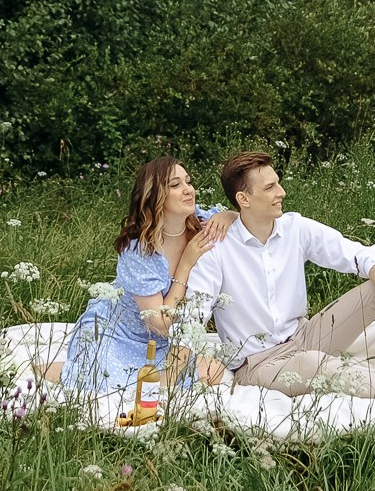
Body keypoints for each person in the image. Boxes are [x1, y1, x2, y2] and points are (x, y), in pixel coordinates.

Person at [184, 150, 375, 401]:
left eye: (278, 182)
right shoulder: (217, 250)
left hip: (305, 334)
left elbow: (371, 257)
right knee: (314, 364)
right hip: (258, 363)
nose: (281, 192)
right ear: (243, 199)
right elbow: (191, 315)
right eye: (270, 188)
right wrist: (201, 356)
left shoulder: (295, 227)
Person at [44, 157, 237, 394]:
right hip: (120, 333)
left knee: (212, 373)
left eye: (188, 182)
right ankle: (45, 370)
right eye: (175, 185)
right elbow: (161, 324)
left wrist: (228, 215)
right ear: (155, 196)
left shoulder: (199, 220)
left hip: (165, 342)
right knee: (107, 381)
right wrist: (185, 263)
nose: (188, 190)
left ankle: (158, 375)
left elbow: (242, 218)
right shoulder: (140, 251)